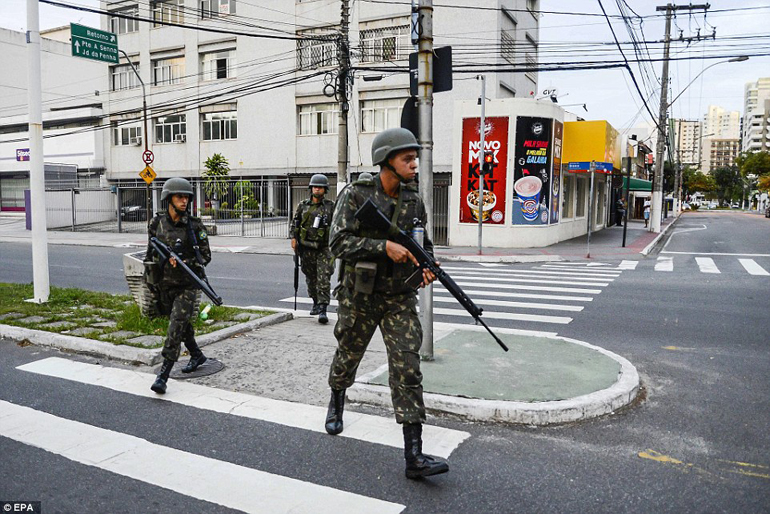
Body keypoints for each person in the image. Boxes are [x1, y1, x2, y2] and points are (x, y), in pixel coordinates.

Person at [323, 127, 449, 480]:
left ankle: (414, 456)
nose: (414, 164)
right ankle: (337, 399)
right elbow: (337, 243)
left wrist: (426, 267)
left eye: (415, 158)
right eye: (407, 159)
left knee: (408, 367)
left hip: (398, 298)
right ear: (387, 162)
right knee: (348, 353)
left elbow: (425, 244)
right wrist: (383, 248)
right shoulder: (355, 194)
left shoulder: (413, 200)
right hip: (360, 296)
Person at [145, 177, 212, 394]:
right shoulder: (156, 224)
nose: (184, 201)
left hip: (187, 285)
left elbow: (205, 257)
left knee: (175, 326)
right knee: (182, 324)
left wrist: (184, 261)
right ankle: (196, 354)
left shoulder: (194, 226)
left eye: (186, 197)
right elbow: (150, 254)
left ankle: (163, 375)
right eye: (179, 197)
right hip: (164, 284)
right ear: (169, 199)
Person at [290, 174, 335, 324]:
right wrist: (294, 239)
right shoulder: (303, 205)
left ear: (325, 189)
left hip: (324, 248)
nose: (317, 189)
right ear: (311, 188)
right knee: (311, 278)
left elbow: (338, 225)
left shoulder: (330, 206)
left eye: (320, 187)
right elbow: (295, 222)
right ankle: (315, 302)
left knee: (324, 278)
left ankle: (323, 309)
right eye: (315, 186)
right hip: (306, 248)